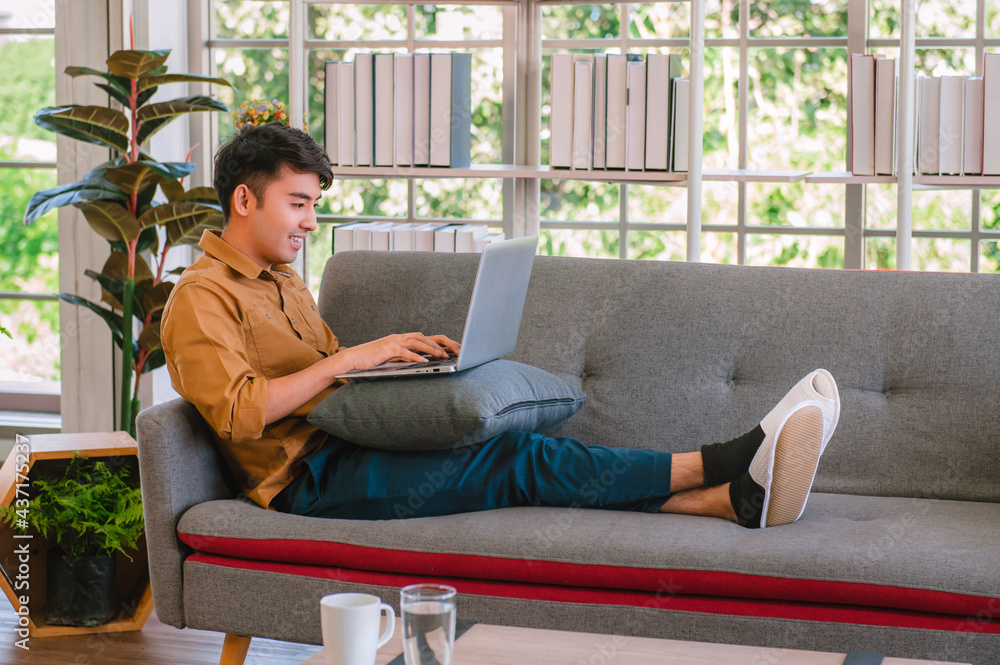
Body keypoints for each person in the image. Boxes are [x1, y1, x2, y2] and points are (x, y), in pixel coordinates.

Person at [161, 122, 840, 530]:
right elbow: (240, 412)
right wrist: (350, 359)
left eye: (313, 206)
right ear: (244, 199)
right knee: (514, 461)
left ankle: (730, 500)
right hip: (309, 482)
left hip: (354, 438)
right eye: (299, 203)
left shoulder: (282, 278)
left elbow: (330, 382)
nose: (310, 222)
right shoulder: (200, 298)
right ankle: (720, 461)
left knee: (518, 442)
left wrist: (400, 369)